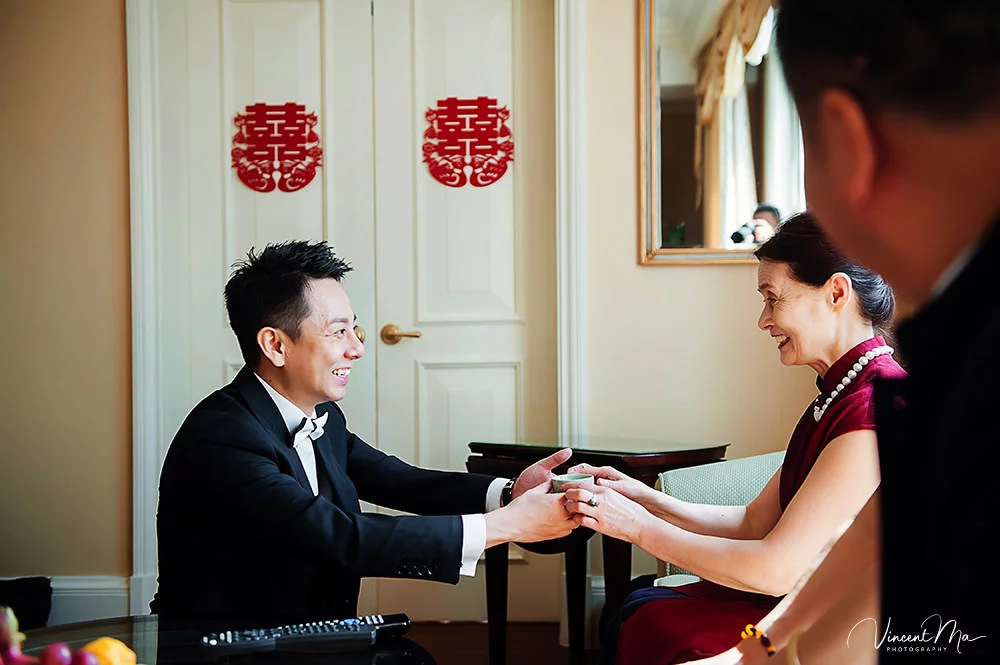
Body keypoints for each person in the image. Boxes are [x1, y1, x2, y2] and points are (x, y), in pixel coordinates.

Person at [679, 1, 999, 662]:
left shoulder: (910, 383)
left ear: (845, 138)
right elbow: (871, 538)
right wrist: (754, 648)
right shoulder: (933, 363)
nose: (764, 320)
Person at [150, 240, 577, 626]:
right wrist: (504, 526)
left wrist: (508, 493)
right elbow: (341, 536)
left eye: (354, 328)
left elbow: (399, 480)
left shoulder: (323, 415)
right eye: (338, 331)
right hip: (229, 647)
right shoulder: (221, 437)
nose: (357, 348)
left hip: (313, 636)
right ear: (275, 345)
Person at [562, 212, 905, 664]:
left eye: (772, 299)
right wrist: (644, 500)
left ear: (836, 293)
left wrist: (636, 526)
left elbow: (777, 570)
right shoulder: (841, 392)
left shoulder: (873, 407)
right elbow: (754, 523)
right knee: (639, 601)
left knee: (649, 614)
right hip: (798, 600)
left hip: (835, 623)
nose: (764, 321)